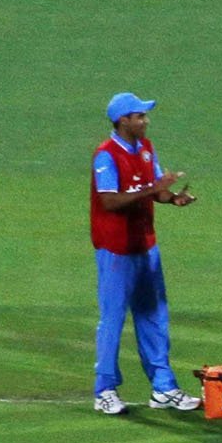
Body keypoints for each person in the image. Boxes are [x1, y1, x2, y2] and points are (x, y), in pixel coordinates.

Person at [90, 92, 202, 415]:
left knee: (154, 317)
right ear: (122, 120)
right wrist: (154, 190)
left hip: (145, 246)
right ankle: (104, 390)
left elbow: (154, 188)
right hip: (116, 251)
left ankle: (163, 388)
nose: (145, 120)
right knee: (112, 320)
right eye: (139, 116)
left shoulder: (145, 148)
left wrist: (171, 198)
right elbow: (110, 201)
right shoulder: (106, 155)